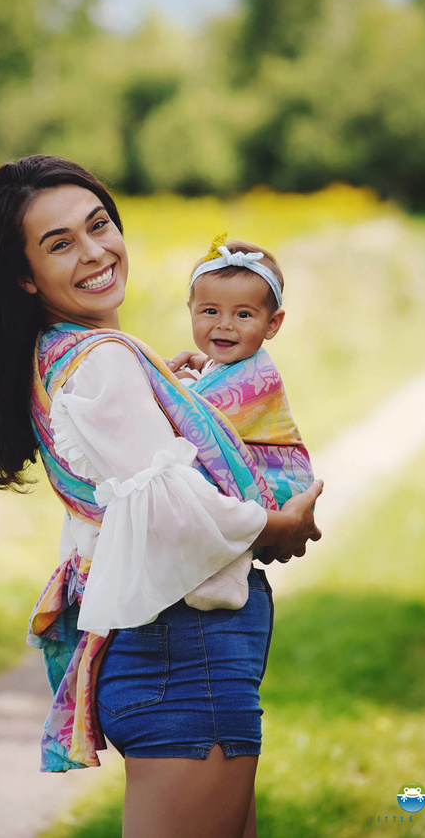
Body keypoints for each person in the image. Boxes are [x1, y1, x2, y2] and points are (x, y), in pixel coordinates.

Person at [0, 155, 323, 838]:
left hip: (173, 653)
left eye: (99, 224)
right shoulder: (102, 361)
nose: (94, 251)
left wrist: (161, 388)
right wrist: (274, 528)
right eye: (60, 243)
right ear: (25, 275)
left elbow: (115, 494)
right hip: (185, 652)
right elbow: (167, 508)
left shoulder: (62, 353)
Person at [171, 236, 314, 613]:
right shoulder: (226, 365)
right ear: (191, 310)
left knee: (194, 481)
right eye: (210, 311)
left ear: (272, 323)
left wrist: (170, 385)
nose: (225, 325)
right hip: (258, 475)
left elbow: (191, 418)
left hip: (277, 480)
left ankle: (224, 578)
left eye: (244, 315)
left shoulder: (255, 378)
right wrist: (198, 371)